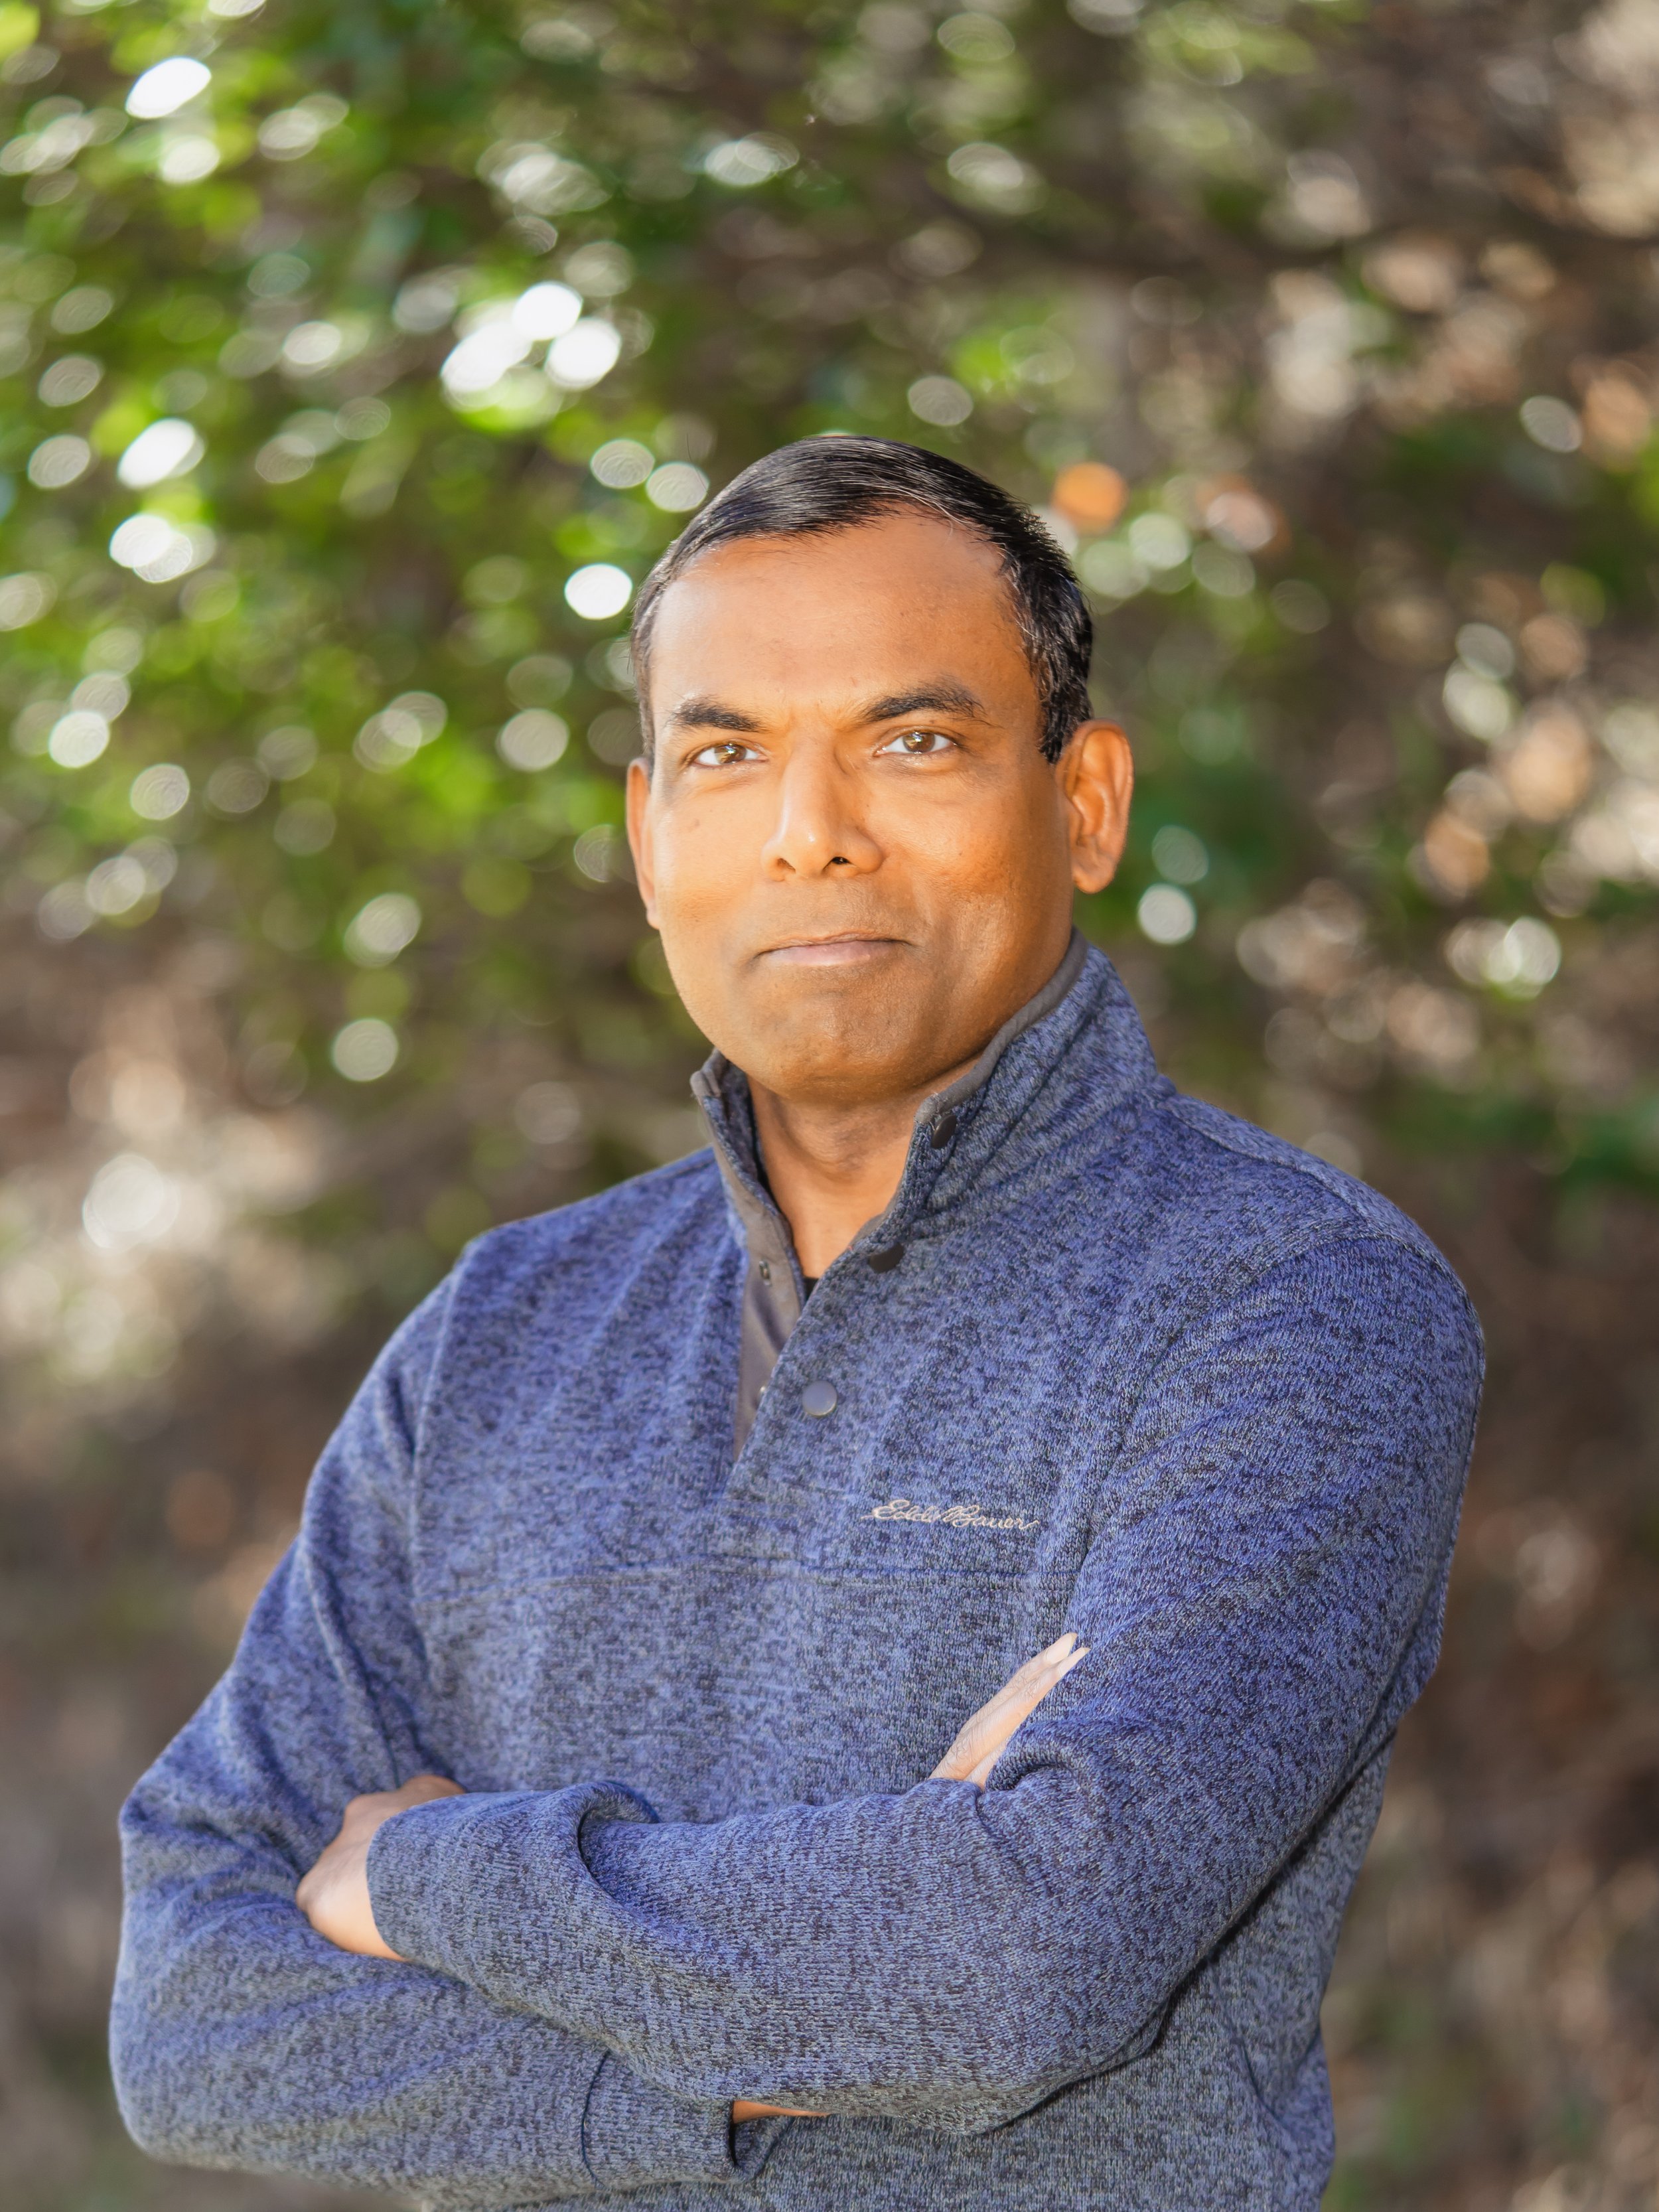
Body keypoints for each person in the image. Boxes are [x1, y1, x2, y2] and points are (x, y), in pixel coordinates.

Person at [111, 437, 1482, 2212]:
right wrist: (803, 2042)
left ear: (1083, 801)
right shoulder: (503, 1334)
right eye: (725, 753)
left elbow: (1016, 1976)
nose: (809, 828)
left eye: (913, 743)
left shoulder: (1291, 1307)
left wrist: (432, 1874)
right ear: (644, 837)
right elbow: (190, 2020)